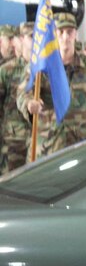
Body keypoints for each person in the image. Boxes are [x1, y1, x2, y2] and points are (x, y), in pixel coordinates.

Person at [17, 13, 86, 158]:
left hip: (82, 147)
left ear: (75, 35)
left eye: (69, 32)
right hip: (48, 146)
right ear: (53, 34)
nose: (65, 37)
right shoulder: (39, 66)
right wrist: (29, 104)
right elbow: (23, 93)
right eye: (60, 32)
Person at [0, 22, 33, 173]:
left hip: (41, 142)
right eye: (31, 37)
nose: (36, 41)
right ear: (21, 39)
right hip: (14, 142)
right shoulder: (7, 70)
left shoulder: (46, 70)